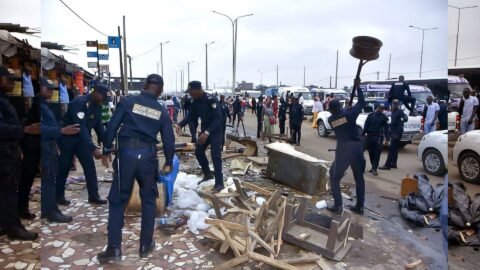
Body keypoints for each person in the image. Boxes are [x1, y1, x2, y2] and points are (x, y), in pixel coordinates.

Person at [97, 74, 175, 262]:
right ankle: (145, 245)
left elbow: (112, 128)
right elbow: (168, 140)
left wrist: (107, 147)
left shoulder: (128, 102)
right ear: (161, 90)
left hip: (127, 155)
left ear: (145, 85)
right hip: (148, 157)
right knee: (148, 200)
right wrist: (169, 161)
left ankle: (114, 249)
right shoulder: (161, 111)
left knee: (118, 201)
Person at [0, 66, 39, 240]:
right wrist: (25, 130)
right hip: (3, 153)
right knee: (8, 190)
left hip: (9, 150)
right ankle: (13, 227)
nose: (11, 83)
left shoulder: (4, 99)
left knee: (7, 189)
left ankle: (6, 222)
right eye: (7, 79)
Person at [56, 83, 109, 206]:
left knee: (90, 167)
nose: (104, 100)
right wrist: (92, 148)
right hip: (68, 138)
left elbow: (99, 127)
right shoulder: (79, 103)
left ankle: (94, 196)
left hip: (82, 140)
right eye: (103, 96)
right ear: (95, 93)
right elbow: (81, 127)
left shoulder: (97, 106)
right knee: (64, 168)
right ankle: (58, 196)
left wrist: (107, 143)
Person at [40, 77, 79, 223]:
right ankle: (50, 211)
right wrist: (61, 131)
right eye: (48, 89)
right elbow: (40, 129)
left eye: (52, 89)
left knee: (50, 178)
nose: (51, 92)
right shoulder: (40, 106)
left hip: (50, 145)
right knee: (49, 179)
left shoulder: (45, 105)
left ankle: (50, 208)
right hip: (44, 147)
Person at [326, 80, 366, 215]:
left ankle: (338, 206)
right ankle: (360, 206)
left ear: (331, 110)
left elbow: (340, 118)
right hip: (357, 148)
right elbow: (361, 103)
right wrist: (358, 88)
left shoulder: (331, 120)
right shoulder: (349, 114)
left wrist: (345, 111)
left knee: (334, 177)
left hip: (344, 150)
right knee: (359, 177)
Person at [176, 81, 225, 192]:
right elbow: (190, 116)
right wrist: (180, 124)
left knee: (215, 155)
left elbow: (218, 118)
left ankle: (219, 183)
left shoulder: (210, 99)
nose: (190, 94)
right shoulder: (195, 101)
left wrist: (207, 133)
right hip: (205, 130)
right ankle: (207, 174)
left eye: (191, 91)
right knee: (199, 151)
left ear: (198, 89)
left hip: (215, 130)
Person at [18, 85, 41, 220]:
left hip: (35, 141)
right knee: (26, 177)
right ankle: (21, 208)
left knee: (28, 177)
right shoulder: (40, 101)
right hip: (30, 142)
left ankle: (21, 208)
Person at [379, 99, 408, 170]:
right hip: (393, 132)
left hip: (396, 133)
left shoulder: (400, 112)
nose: (394, 105)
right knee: (395, 149)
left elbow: (400, 124)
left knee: (391, 149)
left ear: (398, 104)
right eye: (393, 103)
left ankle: (387, 165)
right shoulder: (393, 112)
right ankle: (394, 163)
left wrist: (397, 134)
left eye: (396, 103)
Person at [363, 104, 388, 176]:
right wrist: (362, 135)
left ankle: (374, 168)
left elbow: (386, 128)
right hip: (370, 136)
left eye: (382, 108)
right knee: (371, 152)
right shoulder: (370, 115)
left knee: (377, 153)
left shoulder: (384, 117)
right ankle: (373, 166)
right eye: (380, 108)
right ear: (377, 108)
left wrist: (387, 138)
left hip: (378, 137)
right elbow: (366, 125)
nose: (381, 110)